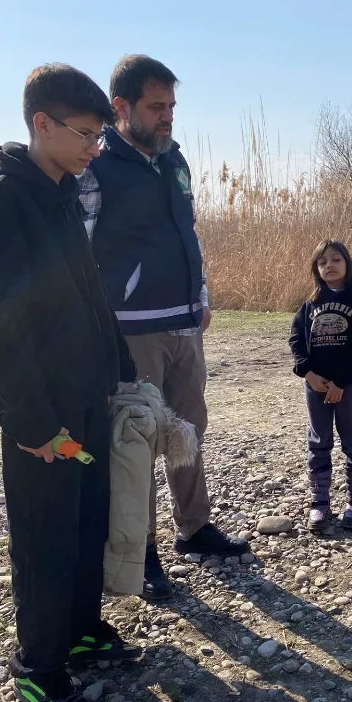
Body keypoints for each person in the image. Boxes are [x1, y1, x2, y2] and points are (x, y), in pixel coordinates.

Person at [0, 64, 141, 702]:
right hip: (46, 420)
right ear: (42, 124)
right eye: (88, 133)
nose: (96, 146)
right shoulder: (3, 200)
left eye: (101, 134)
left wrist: (120, 372)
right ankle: (38, 666)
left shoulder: (59, 192)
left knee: (87, 520)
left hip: (86, 402)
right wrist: (31, 423)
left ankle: (82, 633)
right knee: (46, 534)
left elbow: (89, 294)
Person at [78, 54, 249, 600]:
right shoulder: (96, 168)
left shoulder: (176, 161)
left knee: (189, 430)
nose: (168, 117)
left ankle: (194, 530)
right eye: (157, 107)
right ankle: (143, 550)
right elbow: (77, 249)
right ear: (120, 108)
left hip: (183, 325)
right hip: (131, 330)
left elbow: (188, 232)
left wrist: (199, 293)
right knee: (138, 441)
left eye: (172, 106)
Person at [288, 240, 352, 532]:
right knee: (318, 440)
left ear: (347, 264)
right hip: (316, 385)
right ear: (316, 268)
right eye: (323, 261)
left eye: (336, 259)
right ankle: (320, 502)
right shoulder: (310, 303)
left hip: (347, 386)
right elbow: (296, 339)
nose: (330, 265)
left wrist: (341, 381)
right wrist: (307, 373)